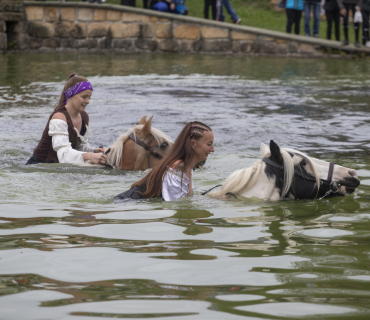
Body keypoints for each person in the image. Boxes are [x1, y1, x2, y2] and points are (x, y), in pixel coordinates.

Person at [115, 121, 214, 201]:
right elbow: (177, 205)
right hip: (124, 204)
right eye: (209, 144)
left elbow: (186, 199)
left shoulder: (188, 167)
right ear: (193, 144)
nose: (212, 149)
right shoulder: (177, 167)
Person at [26, 73, 107, 165]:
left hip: (58, 167)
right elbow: (63, 154)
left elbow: (79, 147)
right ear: (70, 95)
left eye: (89, 97)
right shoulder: (59, 117)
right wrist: (89, 156)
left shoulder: (84, 116)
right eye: (84, 97)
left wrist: (94, 151)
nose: (88, 101)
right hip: (39, 167)